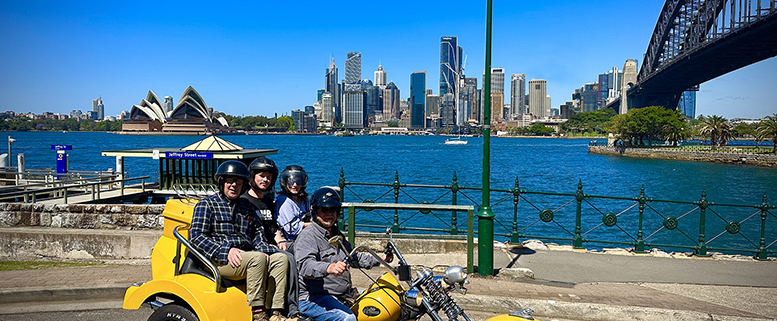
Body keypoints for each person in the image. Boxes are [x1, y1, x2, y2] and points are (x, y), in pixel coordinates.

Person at [190, 160, 292, 321]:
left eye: (238, 183)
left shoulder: (246, 206)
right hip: (217, 260)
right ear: (222, 183)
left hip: (246, 257)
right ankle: (258, 312)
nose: (234, 186)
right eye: (230, 182)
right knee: (257, 259)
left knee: (280, 259)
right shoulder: (207, 205)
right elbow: (196, 237)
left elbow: (257, 234)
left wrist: (265, 249)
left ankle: (276, 312)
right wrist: (225, 251)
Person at [294, 187, 392, 321]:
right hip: (313, 298)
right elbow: (305, 266)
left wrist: (380, 259)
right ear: (315, 211)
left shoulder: (336, 234)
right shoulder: (308, 236)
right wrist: (329, 268)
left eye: (333, 209)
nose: (329, 213)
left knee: (385, 299)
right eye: (324, 209)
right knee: (348, 319)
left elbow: (353, 258)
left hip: (343, 294)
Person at [241, 157, 303, 320]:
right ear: (252, 176)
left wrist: (280, 240)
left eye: (269, 177)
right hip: (258, 247)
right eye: (261, 175)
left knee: (303, 248)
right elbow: (247, 232)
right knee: (288, 258)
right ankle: (290, 307)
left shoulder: (267, 201)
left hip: (273, 243)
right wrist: (266, 246)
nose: (265, 180)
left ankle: (310, 294)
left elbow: (272, 226)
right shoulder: (245, 202)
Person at [275, 165, 311, 243]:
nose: (294, 185)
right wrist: (313, 225)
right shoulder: (285, 201)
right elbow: (291, 229)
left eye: (298, 182)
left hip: (305, 237)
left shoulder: (304, 199)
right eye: (291, 182)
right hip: (290, 241)